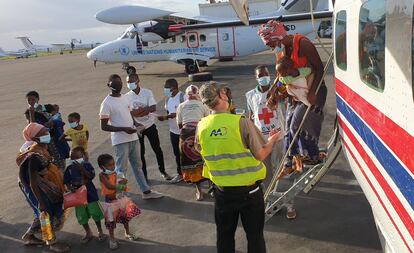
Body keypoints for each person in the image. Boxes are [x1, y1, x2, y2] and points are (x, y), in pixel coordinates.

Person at [195, 83, 282, 253]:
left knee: (224, 236)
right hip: (249, 193)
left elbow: (201, 150)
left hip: (222, 192)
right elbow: (261, 154)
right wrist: (272, 140)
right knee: (255, 236)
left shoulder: (202, 125)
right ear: (222, 95)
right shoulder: (241, 123)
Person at [258, 20, 327, 180]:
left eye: (270, 43)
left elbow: (319, 68)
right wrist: (273, 93)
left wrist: (312, 93)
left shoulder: (303, 44)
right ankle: (291, 163)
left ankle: (312, 156)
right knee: (289, 126)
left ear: (278, 37)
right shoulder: (281, 52)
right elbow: (280, 76)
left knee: (298, 125)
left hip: (312, 91)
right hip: (295, 94)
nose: (270, 47)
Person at [99, 74, 163, 199]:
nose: (118, 85)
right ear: (108, 85)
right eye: (114, 83)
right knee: (121, 169)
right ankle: (121, 195)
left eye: (119, 83)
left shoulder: (124, 98)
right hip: (120, 140)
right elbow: (104, 126)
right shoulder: (106, 103)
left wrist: (136, 123)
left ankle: (146, 192)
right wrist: (124, 129)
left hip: (133, 137)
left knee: (137, 166)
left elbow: (129, 115)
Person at [16, 123, 69, 252]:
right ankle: (52, 243)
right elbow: (32, 181)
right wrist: (40, 201)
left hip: (43, 186)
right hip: (34, 188)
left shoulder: (43, 148)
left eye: (47, 132)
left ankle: (29, 236)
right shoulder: (34, 156)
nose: (48, 134)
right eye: (43, 133)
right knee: (46, 213)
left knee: (41, 213)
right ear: (35, 138)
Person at [124, 73, 172, 182]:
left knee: (157, 149)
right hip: (138, 128)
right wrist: (143, 111)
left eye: (131, 81)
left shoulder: (147, 92)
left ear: (138, 81)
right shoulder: (126, 97)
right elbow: (129, 113)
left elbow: (153, 107)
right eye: (128, 82)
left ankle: (163, 171)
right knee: (141, 153)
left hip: (150, 125)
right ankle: (144, 176)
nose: (129, 84)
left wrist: (138, 112)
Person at [98, 154, 141, 250]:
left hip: (120, 199)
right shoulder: (102, 175)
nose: (113, 166)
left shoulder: (115, 173)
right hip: (110, 202)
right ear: (102, 167)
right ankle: (112, 239)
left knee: (125, 217)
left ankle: (127, 232)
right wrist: (119, 186)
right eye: (109, 165)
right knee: (111, 222)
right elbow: (109, 186)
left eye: (113, 164)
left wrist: (123, 181)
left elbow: (119, 182)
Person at [63, 147, 106, 244]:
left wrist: (82, 169)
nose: (74, 159)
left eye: (76, 157)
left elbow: (90, 176)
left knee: (95, 213)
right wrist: (70, 188)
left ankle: (100, 231)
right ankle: (88, 232)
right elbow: (66, 180)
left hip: (90, 194)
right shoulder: (69, 168)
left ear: (82, 156)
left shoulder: (87, 165)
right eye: (72, 157)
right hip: (78, 197)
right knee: (82, 216)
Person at [176, 85, 210, 200]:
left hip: (185, 137)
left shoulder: (181, 106)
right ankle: (212, 189)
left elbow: (179, 125)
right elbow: (208, 121)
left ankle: (199, 192)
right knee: (206, 161)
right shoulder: (203, 105)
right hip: (199, 133)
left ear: (187, 95)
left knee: (192, 163)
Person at [157, 78, 186, 183]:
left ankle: (192, 174)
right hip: (173, 131)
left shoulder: (183, 97)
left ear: (174, 88)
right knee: (177, 154)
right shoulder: (168, 99)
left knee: (188, 153)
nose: (165, 90)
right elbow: (169, 112)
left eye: (167, 88)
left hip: (184, 132)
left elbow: (184, 113)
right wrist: (166, 116)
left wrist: (167, 117)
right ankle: (180, 173)